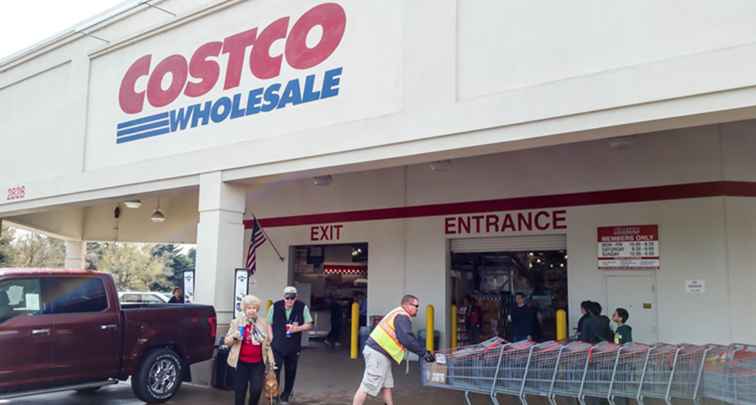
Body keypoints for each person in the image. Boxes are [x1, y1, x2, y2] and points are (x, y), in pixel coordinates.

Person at [352, 294, 435, 405]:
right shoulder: (402, 316)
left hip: (381, 354)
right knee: (367, 386)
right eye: (416, 306)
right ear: (408, 305)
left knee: (387, 386)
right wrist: (424, 353)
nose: (417, 309)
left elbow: (407, 338)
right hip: (378, 354)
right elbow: (407, 339)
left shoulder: (398, 313)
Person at [224, 295, 276, 405]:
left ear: (257, 309)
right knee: (239, 391)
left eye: (254, 308)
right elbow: (227, 341)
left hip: (257, 363)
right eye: (249, 308)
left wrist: (271, 362)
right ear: (244, 309)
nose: (252, 310)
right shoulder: (237, 322)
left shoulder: (263, 322)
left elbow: (267, 344)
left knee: (256, 390)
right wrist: (235, 337)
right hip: (241, 363)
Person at [267, 286, 313, 404]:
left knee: (291, 370)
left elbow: (309, 324)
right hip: (277, 345)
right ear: (283, 297)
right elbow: (268, 323)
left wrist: (298, 328)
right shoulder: (275, 306)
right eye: (287, 298)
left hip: (293, 345)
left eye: (292, 298)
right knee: (275, 370)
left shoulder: (302, 307)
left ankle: (286, 394)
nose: (289, 301)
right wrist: (271, 337)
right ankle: (274, 394)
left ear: (296, 298)